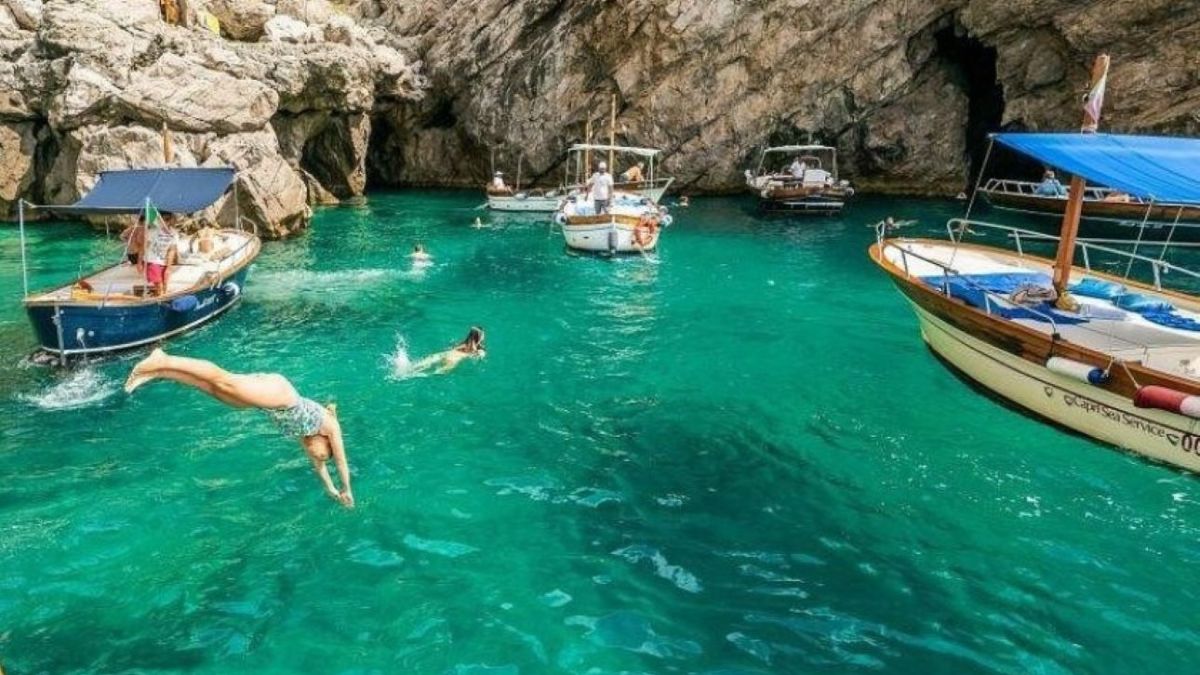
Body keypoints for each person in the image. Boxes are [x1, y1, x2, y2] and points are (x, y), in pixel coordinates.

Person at [124, 348, 355, 508]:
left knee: (213, 389)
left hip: (267, 405)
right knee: (224, 380)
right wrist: (348, 488)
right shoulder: (328, 424)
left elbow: (320, 470)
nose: (315, 455)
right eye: (322, 454)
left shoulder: (307, 438)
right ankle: (163, 359)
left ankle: (157, 372)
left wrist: (333, 491)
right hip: (283, 396)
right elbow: (341, 462)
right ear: (324, 442)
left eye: (317, 456)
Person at [405, 327, 487, 375]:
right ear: (479, 338)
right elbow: (479, 357)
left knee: (416, 366)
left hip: (442, 354)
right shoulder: (478, 349)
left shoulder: (462, 343)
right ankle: (409, 376)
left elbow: (452, 347)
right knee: (431, 374)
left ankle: (404, 369)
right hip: (452, 360)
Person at [144, 214, 179, 296]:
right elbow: (145, 248)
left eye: (167, 219)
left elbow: (172, 250)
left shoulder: (174, 234)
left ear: (171, 221)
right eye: (162, 219)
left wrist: (168, 268)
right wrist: (140, 262)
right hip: (152, 261)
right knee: (159, 285)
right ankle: (160, 300)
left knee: (165, 284)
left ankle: (161, 298)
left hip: (164, 261)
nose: (164, 222)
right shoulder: (153, 231)